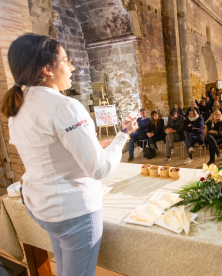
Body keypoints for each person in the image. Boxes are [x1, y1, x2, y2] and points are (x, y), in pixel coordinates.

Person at [3, 33, 138, 276]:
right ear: (47, 69)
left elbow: (46, 151)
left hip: (41, 205)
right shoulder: (65, 106)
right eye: (66, 60)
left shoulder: (18, 106)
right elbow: (99, 169)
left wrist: (90, 144)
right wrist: (123, 135)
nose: (72, 66)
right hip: (73, 211)